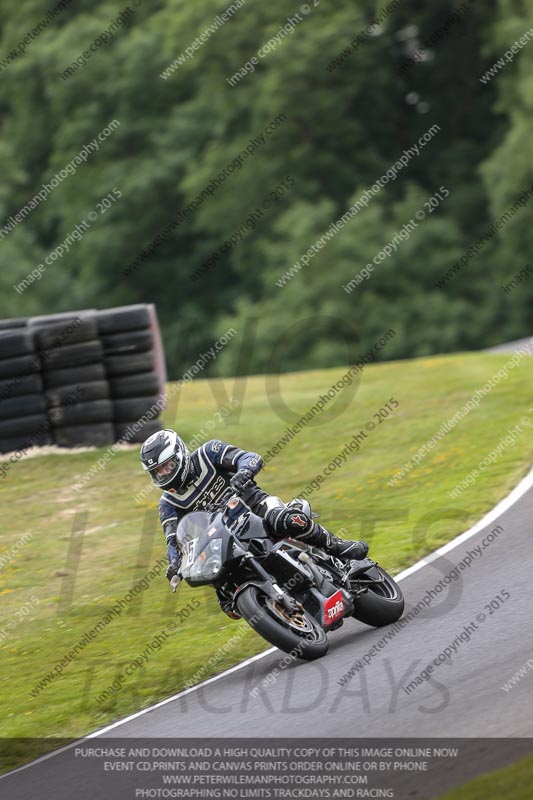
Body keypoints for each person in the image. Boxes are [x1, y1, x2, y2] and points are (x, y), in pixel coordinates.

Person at [140, 429, 369, 599]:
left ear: (180, 455)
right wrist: (173, 564)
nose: (164, 474)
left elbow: (250, 457)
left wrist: (244, 472)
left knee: (285, 520)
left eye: (167, 466)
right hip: (225, 539)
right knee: (224, 592)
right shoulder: (167, 503)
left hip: (256, 508)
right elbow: (173, 539)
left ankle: (337, 547)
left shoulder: (208, 452)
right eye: (157, 472)